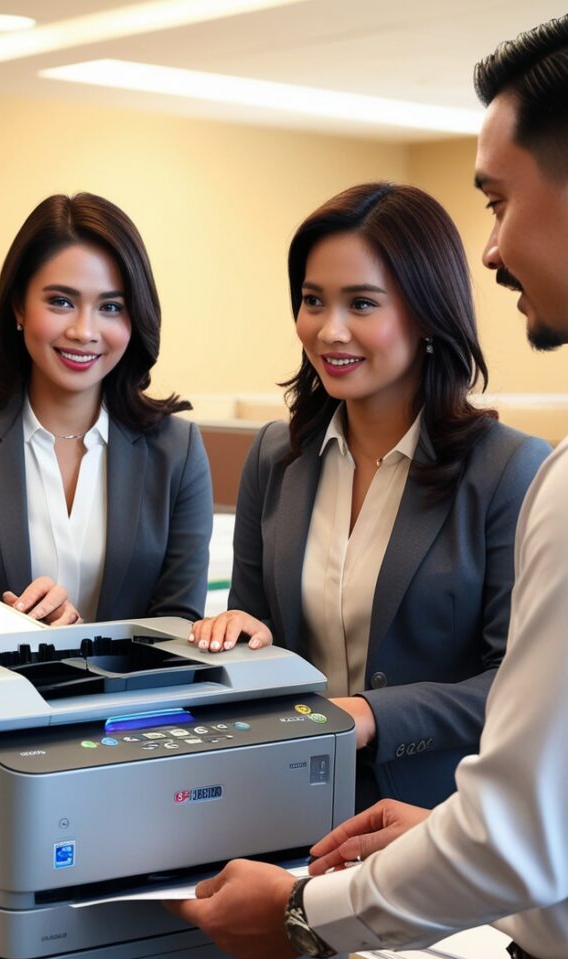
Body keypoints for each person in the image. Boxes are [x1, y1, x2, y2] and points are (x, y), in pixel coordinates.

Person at [171, 6, 568, 959]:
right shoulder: (280, 456)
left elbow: (528, 826)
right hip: (343, 838)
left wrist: (306, 910)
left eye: (498, 201)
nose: (494, 248)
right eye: (311, 299)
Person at [190, 182, 549, 810]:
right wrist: (239, 632)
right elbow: (257, 631)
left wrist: (368, 715)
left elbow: (519, 685)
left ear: (427, 313)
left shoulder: (508, 470)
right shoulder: (277, 458)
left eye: (362, 304)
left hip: (437, 818)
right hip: (283, 803)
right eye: (312, 301)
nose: (330, 331)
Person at [0, 192, 212, 623]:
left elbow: (179, 624)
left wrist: (85, 645)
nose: (84, 330)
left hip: (135, 692)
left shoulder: (178, 451)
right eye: (60, 301)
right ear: (19, 305)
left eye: (111, 307)